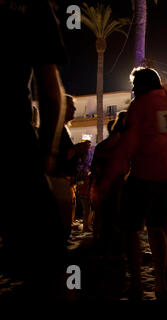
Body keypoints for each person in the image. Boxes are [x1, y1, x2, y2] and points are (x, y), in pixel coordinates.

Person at [0, 0, 68, 298]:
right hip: (11, 142)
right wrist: (46, 156)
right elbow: (52, 95)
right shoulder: (35, 7)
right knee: (45, 271)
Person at [99, 67, 167, 299]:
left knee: (129, 228)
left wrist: (107, 180)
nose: (133, 89)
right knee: (158, 227)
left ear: (143, 85)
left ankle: (136, 281)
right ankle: (161, 282)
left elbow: (127, 145)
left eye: (135, 84)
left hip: (146, 174)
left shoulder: (140, 104)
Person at [48, 95, 91, 244]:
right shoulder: (55, 128)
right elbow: (56, 155)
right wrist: (77, 149)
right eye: (71, 106)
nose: (74, 110)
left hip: (64, 181)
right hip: (57, 181)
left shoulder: (62, 129)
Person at [90, 112, 127, 256]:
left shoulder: (119, 140)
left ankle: (106, 246)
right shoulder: (117, 139)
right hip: (112, 184)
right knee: (111, 216)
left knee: (109, 217)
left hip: (113, 183)